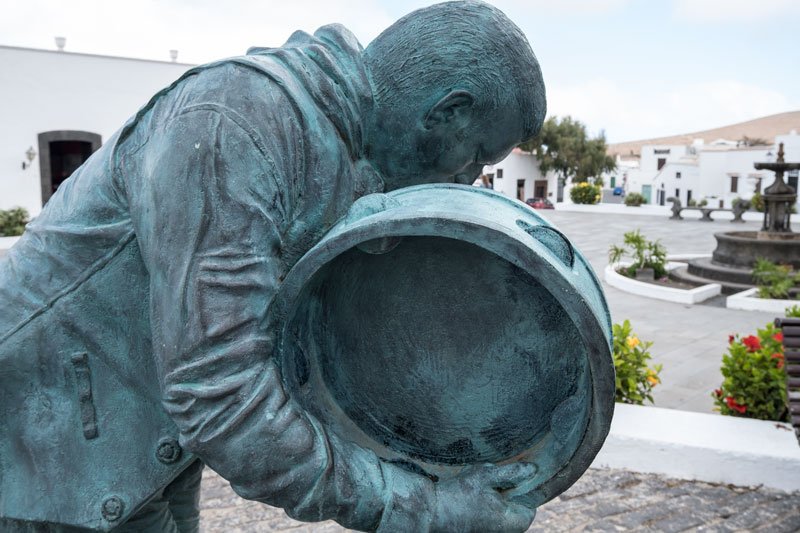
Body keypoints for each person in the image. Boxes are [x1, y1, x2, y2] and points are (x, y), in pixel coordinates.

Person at [0, 1, 546, 531]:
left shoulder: (339, 141)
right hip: (44, 442)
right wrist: (424, 510)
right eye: (477, 156)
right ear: (446, 111)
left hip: (144, 437)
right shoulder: (234, 123)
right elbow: (222, 396)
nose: (469, 179)